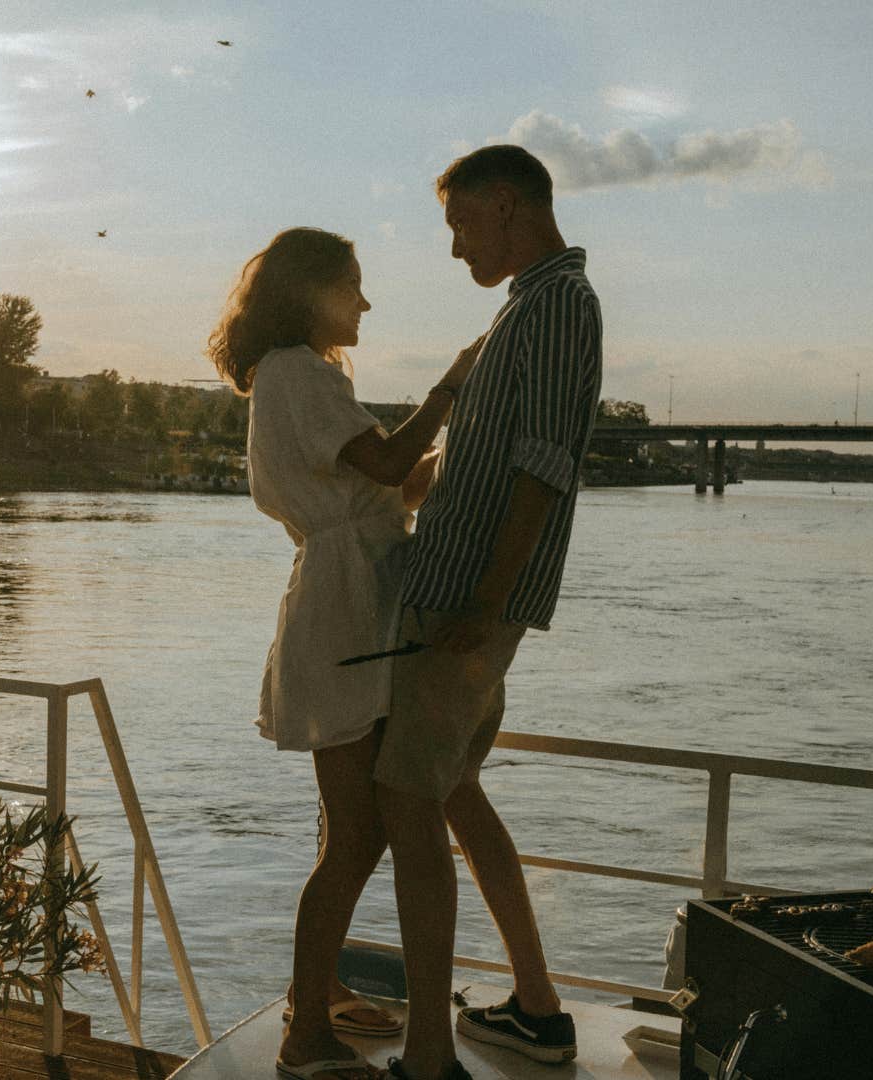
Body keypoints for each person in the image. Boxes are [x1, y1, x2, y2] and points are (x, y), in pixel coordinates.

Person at [206, 226, 481, 1080]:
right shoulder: (294, 369)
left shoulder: (310, 374)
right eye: (352, 286)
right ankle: (304, 1027)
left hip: (356, 601)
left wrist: (471, 446)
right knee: (356, 835)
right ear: (311, 292)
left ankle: (314, 998)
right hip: (343, 611)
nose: (365, 302)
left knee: (352, 826)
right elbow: (393, 459)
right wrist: (451, 385)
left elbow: (395, 484)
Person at [374, 145, 604, 1080]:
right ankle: (537, 1011)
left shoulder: (555, 305)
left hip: (466, 603)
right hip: (465, 593)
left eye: (462, 224)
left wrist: (485, 597)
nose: (456, 246)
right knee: (457, 790)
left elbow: (544, 464)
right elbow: (487, 464)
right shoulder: (526, 306)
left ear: (506, 207)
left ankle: (428, 1057)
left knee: (408, 799)